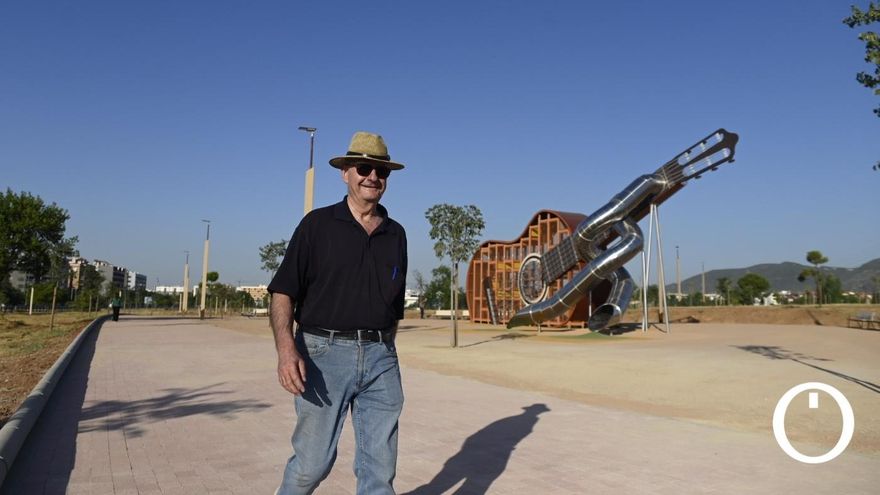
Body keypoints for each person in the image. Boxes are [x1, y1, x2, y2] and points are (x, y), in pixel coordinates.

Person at [269, 131, 407, 495]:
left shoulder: (396, 234)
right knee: (311, 466)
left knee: (379, 472)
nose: (372, 176)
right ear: (345, 173)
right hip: (322, 356)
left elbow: (394, 306)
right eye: (363, 168)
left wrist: (385, 348)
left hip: (381, 358)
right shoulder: (316, 225)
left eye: (381, 171)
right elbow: (283, 292)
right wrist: (286, 349)